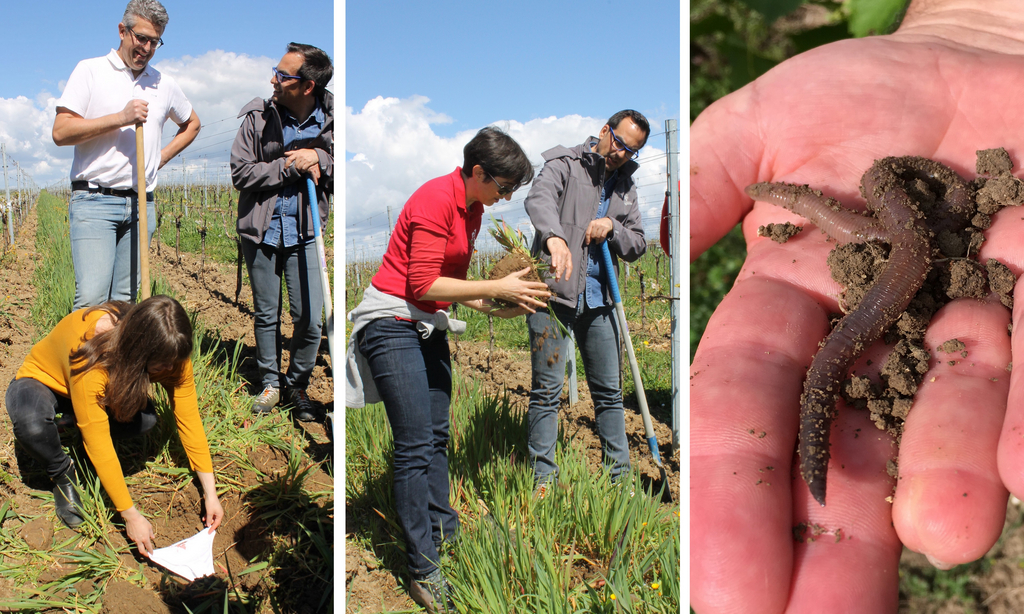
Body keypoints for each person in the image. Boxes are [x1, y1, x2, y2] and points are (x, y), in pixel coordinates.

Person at [690, 1, 1024, 611]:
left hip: (900, 264)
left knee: (835, 355)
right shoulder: (899, 215)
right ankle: (818, 461)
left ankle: (821, 460)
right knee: (833, 355)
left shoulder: (887, 219)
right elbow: (885, 204)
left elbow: (853, 209)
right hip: (902, 256)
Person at [346, 126, 550, 613]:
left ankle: (445, 533)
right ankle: (423, 568)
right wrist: (494, 288)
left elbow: (449, 285)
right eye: (504, 187)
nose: (505, 197)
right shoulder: (435, 199)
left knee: (437, 434)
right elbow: (421, 284)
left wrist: (499, 304)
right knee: (415, 443)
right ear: (478, 172)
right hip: (391, 321)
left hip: (425, 321)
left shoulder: (472, 210)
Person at [4, 296, 223, 558]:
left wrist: (211, 493)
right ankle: (62, 473)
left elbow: (189, 420)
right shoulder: (93, 355)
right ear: (139, 351)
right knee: (32, 426)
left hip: (90, 392)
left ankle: (74, 423)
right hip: (44, 382)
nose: (170, 368)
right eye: (163, 363)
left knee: (146, 419)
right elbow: (99, 444)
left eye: (174, 361)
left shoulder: (172, 351)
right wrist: (130, 515)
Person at [522, 109, 649, 496]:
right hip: (553, 295)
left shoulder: (626, 187)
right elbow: (539, 199)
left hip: (599, 301)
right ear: (605, 131)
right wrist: (553, 237)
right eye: (620, 143)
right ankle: (543, 481)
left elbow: (638, 243)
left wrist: (613, 227)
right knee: (547, 392)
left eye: (632, 151)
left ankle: (620, 481)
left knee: (609, 394)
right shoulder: (565, 164)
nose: (622, 154)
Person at [52, 0, 201, 310]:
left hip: (141, 204)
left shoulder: (164, 83)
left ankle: (120, 345)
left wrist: (159, 158)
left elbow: (192, 124)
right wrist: (120, 118)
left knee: (126, 304)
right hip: (95, 200)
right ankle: (82, 346)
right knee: (91, 301)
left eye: (155, 42)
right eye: (141, 38)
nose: (146, 48)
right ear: (122, 31)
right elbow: (61, 132)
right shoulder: (91, 71)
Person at [230, 43, 333, 423]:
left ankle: (297, 384)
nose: (273, 79)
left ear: (307, 86)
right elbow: (241, 172)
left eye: (282, 74)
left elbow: (346, 167)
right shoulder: (258, 117)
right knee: (267, 312)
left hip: (306, 229)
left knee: (309, 317)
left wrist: (320, 157)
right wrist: (290, 167)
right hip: (262, 229)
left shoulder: (333, 120)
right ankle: (271, 383)